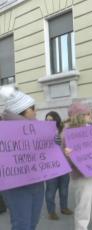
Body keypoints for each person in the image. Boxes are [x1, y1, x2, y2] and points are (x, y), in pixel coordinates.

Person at [0, 86, 44, 230]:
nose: (36, 111)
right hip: (16, 187)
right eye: (33, 108)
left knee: (32, 223)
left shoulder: (39, 128)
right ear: (24, 111)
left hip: (37, 182)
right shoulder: (3, 130)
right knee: (22, 225)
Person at [63, 101, 92, 230]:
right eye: (87, 113)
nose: (90, 115)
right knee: (83, 206)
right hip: (82, 175)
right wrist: (67, 154)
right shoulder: (68, 133)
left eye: (90, 113)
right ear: (79, 116)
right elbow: (64, 160)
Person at [45, 111, 73, 220]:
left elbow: (69, 144)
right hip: (50, 166)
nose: (49, 122)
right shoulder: (43, 132)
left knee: (64, 189)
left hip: (64, 165)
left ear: (57, 120)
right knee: (50, 191)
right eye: (47, 120)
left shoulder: (64, 130)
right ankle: (51, 212)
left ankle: (64, 207)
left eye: (51, 120)